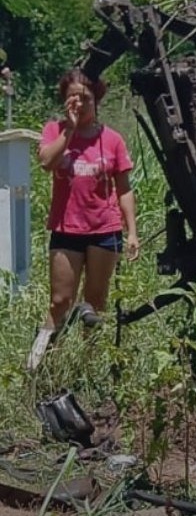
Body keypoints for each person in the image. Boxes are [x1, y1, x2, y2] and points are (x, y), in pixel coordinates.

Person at [27, 69, 140, 371]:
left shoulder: (113, 140)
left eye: (85, 97)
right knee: (60, 301)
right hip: (66, 229)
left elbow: (124, 190)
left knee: (95, 303)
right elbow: (46, 163)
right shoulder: (55, 130)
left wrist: (132, 232)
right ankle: (41, 365)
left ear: (97, 100)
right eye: (72, 98)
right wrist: (70, 131)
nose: (79, 103)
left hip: (104, 229)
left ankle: (87, 367)